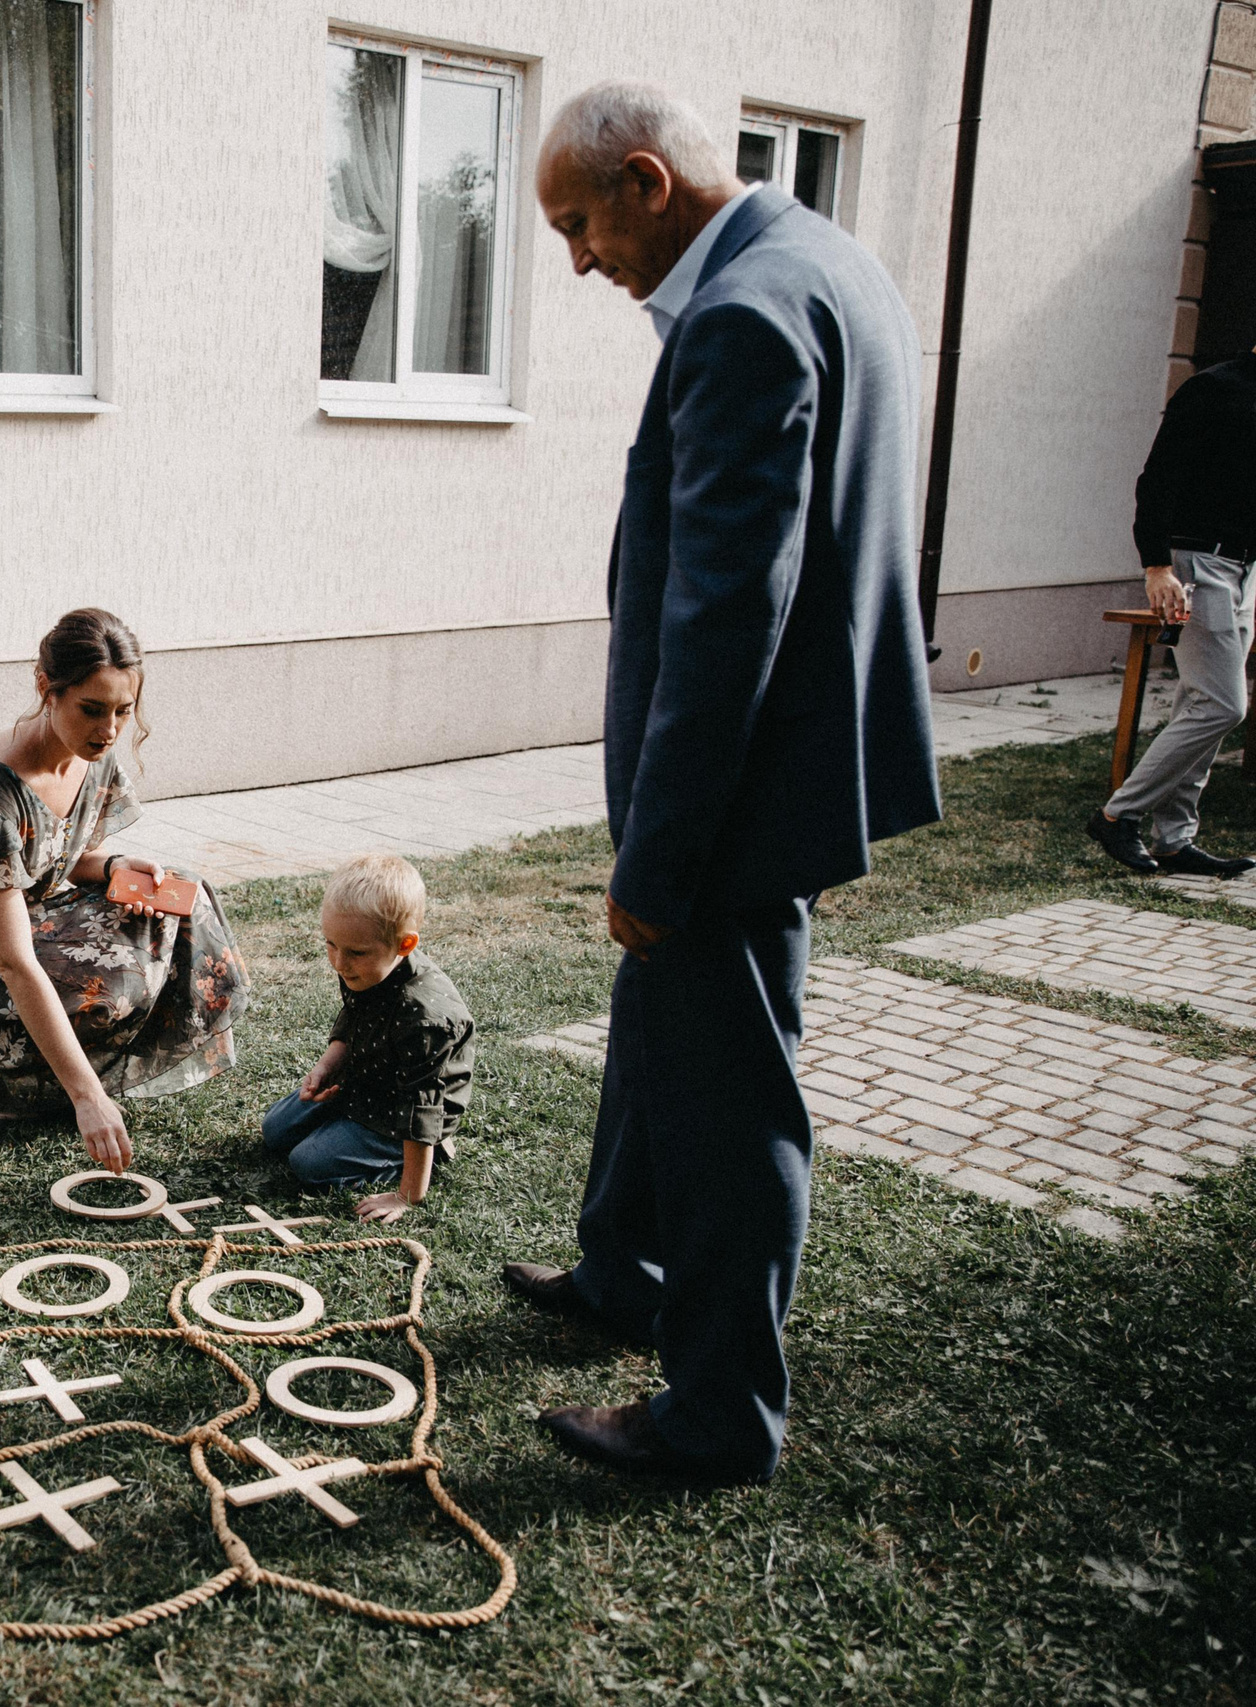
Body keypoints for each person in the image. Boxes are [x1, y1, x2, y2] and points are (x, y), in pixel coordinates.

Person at [511, 83, 940, 1485]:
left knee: (726, 1098)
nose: (578, 259)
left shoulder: (746, 312)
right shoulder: (828, 260)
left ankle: (715, 1410)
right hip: (798, 763)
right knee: (661, 1037)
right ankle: (621, 1269)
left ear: (647, 181)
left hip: (736, 797)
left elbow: (724, 615)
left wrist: (660, 853)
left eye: (579, 224)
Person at [0, 609, 251, 1171]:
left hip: (34, 908)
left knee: (180, 901)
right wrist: (88, 1100)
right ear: (45, 688)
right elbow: (13, 962)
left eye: (123, 712)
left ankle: (29, 1066)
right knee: (116, 984)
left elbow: (63, 859)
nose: (108, 730)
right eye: (92, 709)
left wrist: (116, 868)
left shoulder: (88, 754)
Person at [1084, 347, 1256, 879]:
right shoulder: (1213, 389)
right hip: (1196, 562)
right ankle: (1118, 814)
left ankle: (1175, 840)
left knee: (1197, 703)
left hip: (1244, 569)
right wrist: (1157, 565)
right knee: (1223, 705)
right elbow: (1156, 478)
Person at [263, 854, 476, 1223]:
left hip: (403, 1110)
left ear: (404, 945)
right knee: (274, 1130)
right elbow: (353, 1017)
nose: (339, 963)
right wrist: (328, 1066)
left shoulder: (425, 1019)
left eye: (354, 953)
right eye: (330, 944)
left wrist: (408, 1195)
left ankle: (424, 1155)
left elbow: (421, 1108)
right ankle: (346, 1127)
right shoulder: (367, 963)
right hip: (366, 1080)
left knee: (308, 1164)